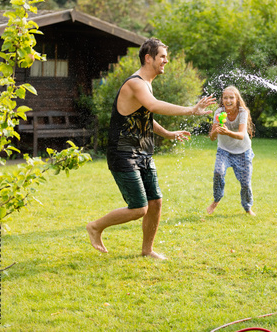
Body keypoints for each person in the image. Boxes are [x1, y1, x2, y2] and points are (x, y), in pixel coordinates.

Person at [86, 38, 216, 259]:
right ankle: (95, 227)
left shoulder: (147, 84)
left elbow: (146, 115)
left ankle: (147, 250)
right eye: (162, 57)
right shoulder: (135, 83)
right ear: (149, 58)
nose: (166, 61)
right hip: (123, 152)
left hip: (143, 151)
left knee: (155, 202)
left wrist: (166, 133)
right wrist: (192, 110)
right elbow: (154, 106)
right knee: (139, 208)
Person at [206, 86, 256, 216]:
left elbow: (240, 135)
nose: (228, 100)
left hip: (243, 151)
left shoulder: (242, 112)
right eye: (225, 98)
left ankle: (247, 207)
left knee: (245, 183)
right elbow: (212, 138)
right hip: (224, 150)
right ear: (222, 100)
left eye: (231, 97)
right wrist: (215, 130)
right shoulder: (218, 113)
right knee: (218, 172)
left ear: (237, 99)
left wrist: (227, 131)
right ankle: (216, 200)